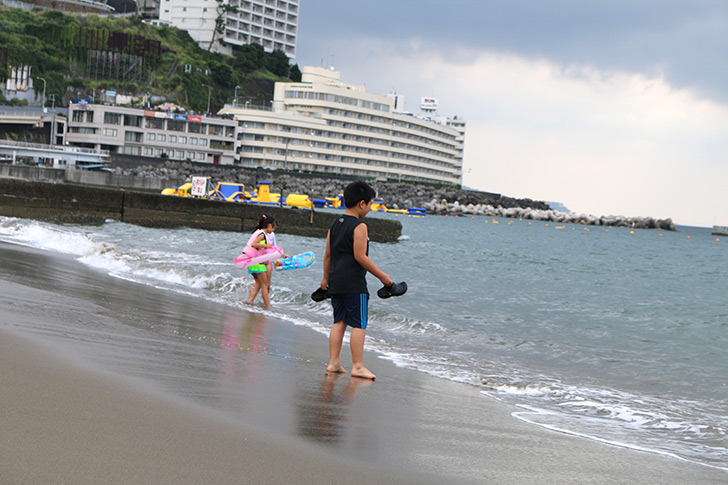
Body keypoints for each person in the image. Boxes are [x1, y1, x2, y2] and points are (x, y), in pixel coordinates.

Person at [319, 181, 393, 380]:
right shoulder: (360, 226)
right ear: (361, 203)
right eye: (370, 204)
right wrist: (383, 277)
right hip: (354, 283)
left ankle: (334, 362)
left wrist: (325, 278)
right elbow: (361, 256)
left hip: (335, 281)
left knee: (339, 321)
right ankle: (358, 366)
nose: (369, 209)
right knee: (359, 323)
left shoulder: (335, 224)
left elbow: (327, 255)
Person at [244, 215, 287, 308]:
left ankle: (249, 301)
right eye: (274, 227)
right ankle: (267, 306)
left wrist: (282, 255)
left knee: (259, 283)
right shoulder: (262, 234)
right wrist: (267, 246)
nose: (274, 229)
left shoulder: (259, 232)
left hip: (251, 261)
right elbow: (254, 244)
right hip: (256, 261)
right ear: (269, 225)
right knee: (264, 285)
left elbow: (272, 247)